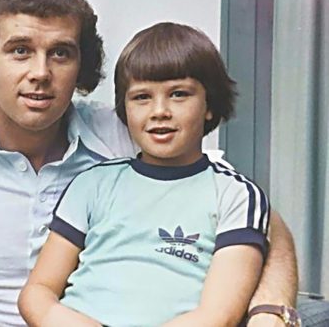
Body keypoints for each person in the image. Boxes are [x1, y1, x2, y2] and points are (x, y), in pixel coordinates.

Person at [0, 0, 298, 327]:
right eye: (20, 51)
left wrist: (269, 311)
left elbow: (261, 222)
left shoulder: (127, 130)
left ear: (82, 66)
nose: (41, 73)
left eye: (60, 53)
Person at [19, 22, 275, 326]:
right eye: (142, 97)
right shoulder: (92, 184)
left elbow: (218, 316)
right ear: (124, 109)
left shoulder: (234, 195)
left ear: (209, 105)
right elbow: (37, 293)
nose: (159, 111)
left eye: (179, 94)